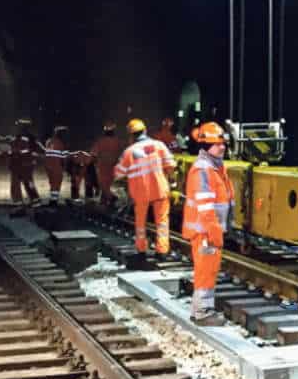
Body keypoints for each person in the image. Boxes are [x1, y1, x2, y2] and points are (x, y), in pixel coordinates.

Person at [182, 123, 233, 325]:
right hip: (205, 232)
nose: (222, 147)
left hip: (211, 231)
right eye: (217, 144)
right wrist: (214, 232)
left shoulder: (216, 167)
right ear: (206, 146)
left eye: (223, 144)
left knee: (208, 270)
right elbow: (205, 207)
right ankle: (203, 313)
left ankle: (201, 310)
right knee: (205, 271)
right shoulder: (203, 170)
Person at [115, 118, 175, 260]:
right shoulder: (159, 145)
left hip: (140, 192)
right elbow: (171, 165)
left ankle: (141, 249)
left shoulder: (129, 152)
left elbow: (119, 173)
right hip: (160, 189)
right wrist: (168, 179)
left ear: (131, 135)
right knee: (162, 222)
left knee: (140, 222)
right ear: (145, 130)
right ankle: (162, 251)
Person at [8, 118, 41, 204]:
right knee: (28, 182)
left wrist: (14, 154)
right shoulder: (31, 137)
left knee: (17, 183)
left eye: (20, 126)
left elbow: (19, 150)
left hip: (21, 164)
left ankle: (18, 201)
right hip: (26, 164)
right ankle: (34, 199)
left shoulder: (22, 138)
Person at [89, 122, 123, 206]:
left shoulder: (101, 141)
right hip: (113, 167)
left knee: (103, 186)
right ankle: (104, 203)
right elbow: (121, 154)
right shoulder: (117, 141)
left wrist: (91, 162)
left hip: (102, 167)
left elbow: (93, 153)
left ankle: (112, 198)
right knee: (107, 185)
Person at [42, 126, 72, 205]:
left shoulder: (49, 141)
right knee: (57, 183)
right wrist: (67, 168)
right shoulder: (62, 143)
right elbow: (65, 157)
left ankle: (52, 199)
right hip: (56, 166)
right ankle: (54, 201)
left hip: (48, 166)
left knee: (52, 183)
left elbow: (47, 153)